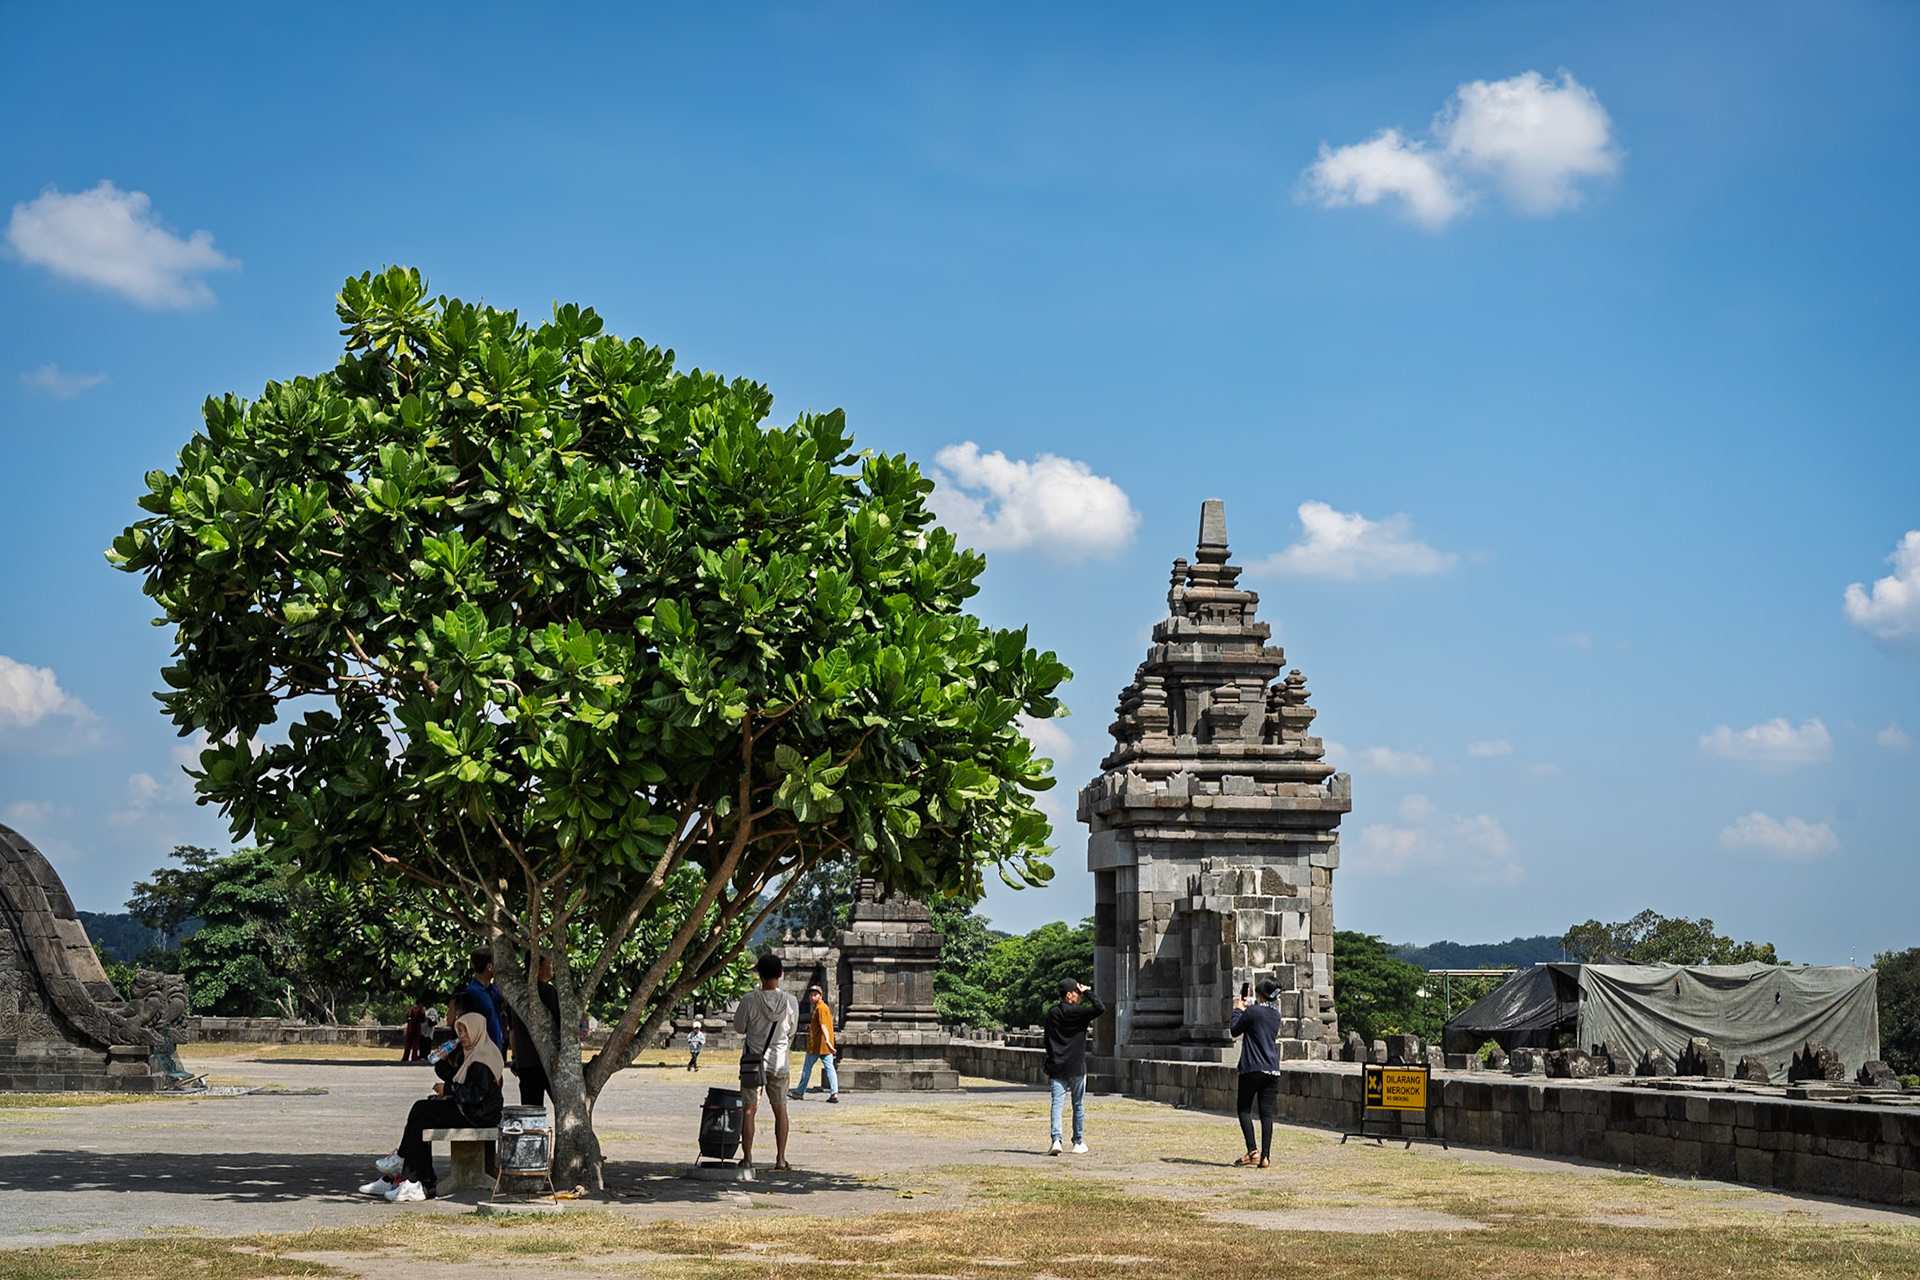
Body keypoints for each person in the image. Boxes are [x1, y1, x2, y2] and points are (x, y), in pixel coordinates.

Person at [361, 1011, 504, 1201]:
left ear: (477, 1031)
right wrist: (442, 1060)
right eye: (459, 1030)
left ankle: (403, 1168)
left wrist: (449, 1090)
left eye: (465, 1031)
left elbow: (476, 1094)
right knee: (421, 1121)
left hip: (478, 1115)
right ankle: (416, 1182)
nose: (461, 1035)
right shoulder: (471, 1053)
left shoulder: (483, 1059)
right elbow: (455, 1076)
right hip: (470, 1110)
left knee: (421, 1109)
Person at [733, 952, 799, 1171]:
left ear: (758, 975)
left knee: (749, 1110)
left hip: (753, 1062)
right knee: (780, 1109)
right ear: (780, 974)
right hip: (780, 1061)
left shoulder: (749, 1000)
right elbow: (792, 1032)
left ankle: (748, 1157)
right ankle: (780, 1158)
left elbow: (740, 1027)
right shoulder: (790, 1002)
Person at [1042, 977, 1106, 1156]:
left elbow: (1047, 1039)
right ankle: (1077, 1141)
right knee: (1078, 1104)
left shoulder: (1052, 1013)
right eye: (1077, 993)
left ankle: (1056, 1139)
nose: (1079, 996)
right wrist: (1088, 992)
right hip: (1076, 1065)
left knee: (1057, 1103)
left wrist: (1052, 1056)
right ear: (1069, 995)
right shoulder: (1080, 1013)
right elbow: (1100, 1007)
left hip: (1057, 1064)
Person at [1229, 978, 1284, 1168]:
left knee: (1244, 1109)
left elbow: (1235, 1030)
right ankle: (1265, 1156)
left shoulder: (1251, 1012)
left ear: (1259, 992)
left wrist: (1238, 1009)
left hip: (1252, 1067)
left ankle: (1253, 1151)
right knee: (1266, 1113)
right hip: (1272, 1068)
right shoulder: (1276, 1015)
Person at [504, 952, 561, 1107]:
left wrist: (515, 1057)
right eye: (549, 963)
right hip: (547, 1059)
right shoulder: (548, 992)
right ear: (538, 967)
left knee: (531, 1110)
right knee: (562, 1104)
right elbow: (560, 1025)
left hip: (526, 1062)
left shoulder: (517, 993)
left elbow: (512, 1031)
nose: (552, 967)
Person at [788, 985, 839, 1103]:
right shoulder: (822, 1007)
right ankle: (834, 1093)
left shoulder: (820, 1008)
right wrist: (811, 1027)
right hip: (824, 1046)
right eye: (811, 995)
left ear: (820, 996)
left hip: (817, 1046)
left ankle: (800, 1092)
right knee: (830, 1069)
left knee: (807, 1069)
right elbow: (820, 1025)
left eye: (815, 995)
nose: (812, 997)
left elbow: (823, 1026)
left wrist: (827, 1041)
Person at [463, 948, 506, 1050]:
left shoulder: (493, 989)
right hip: (481, 1051)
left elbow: (505, 1004)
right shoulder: (472, 993)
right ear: (489, 967)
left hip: (495, 1049)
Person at [401, 997, 428, 1063]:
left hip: (410, 1027)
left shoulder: (411, 1009)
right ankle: (414, 1058)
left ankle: (405, 1057)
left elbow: (407, 1016)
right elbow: (423, 1020)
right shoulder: (421, 1011)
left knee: (408, 1044)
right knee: (415, 1044)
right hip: (417, 1028)